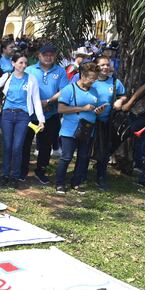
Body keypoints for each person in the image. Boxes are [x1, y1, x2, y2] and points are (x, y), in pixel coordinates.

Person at [0, 53, 45, 188]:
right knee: (7, 145)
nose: (23, 66)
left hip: (23, 116)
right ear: (13, 63)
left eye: (25, 63)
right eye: (20, 62)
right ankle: (5, 174)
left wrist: (41, 119)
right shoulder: (7, 76)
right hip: (7, 115)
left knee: (18, 147)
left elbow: (36, 100)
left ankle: (15, 176)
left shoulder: (31, 79)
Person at [55, 62, 105, 194]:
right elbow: (61, 108)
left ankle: (76, 182)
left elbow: (93, 108)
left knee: (83, 157)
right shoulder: (69, 89)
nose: (93, 81)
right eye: (91, 78)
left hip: (88, 130)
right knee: (66, 157)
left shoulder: (94, 90)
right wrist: (82, 108)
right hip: (70, 130)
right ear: (82, 76)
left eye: (95, 78)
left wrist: (97, 111)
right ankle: (59, 183)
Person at [21, 43, 67, 185]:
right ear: (38, 55)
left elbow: (64, 90)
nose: (48, 57)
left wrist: (48, 101)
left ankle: (40, 171)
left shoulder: (60, 71)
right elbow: (22, 88)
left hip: (50, 114)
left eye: (51, 54)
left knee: (46, 145)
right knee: (25, 143)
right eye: (45, 54)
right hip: (30, 114)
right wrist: (35, 104)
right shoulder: (29, 70)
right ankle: (22, 170)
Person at [91, 55, 127, 189]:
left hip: (107, 121)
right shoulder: (91, 80)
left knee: (105, 150)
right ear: (96, 66)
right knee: (85, 148)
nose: (105, 67)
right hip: (90, 120)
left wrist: (120, 100)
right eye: (102, 65)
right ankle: (80, 175)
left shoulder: (115, 82)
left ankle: (101, 176)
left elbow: (123, 95)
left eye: (107, 64)